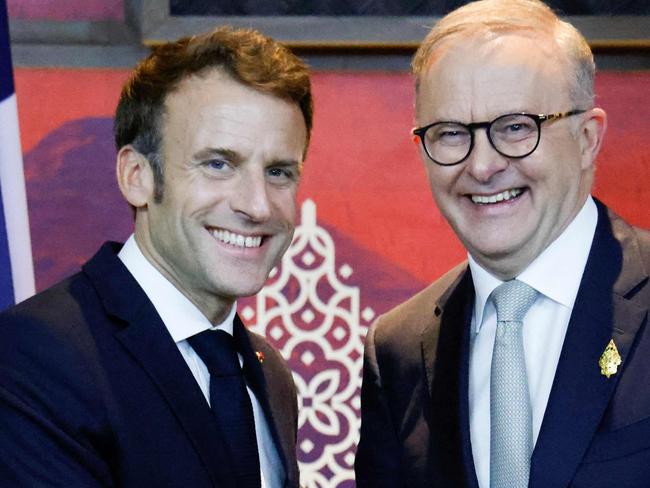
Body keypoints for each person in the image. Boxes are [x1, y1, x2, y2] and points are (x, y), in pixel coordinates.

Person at [0, 26, 312, 487]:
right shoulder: (34, 355)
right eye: (218, 164)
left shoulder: (270, 374)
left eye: (279, 171)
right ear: (136, 176)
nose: (258, 205)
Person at [355, 0, 650, 486]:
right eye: (451, 133)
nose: (483, 166)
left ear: (586, 139)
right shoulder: (398, 351)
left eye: (516, 128)